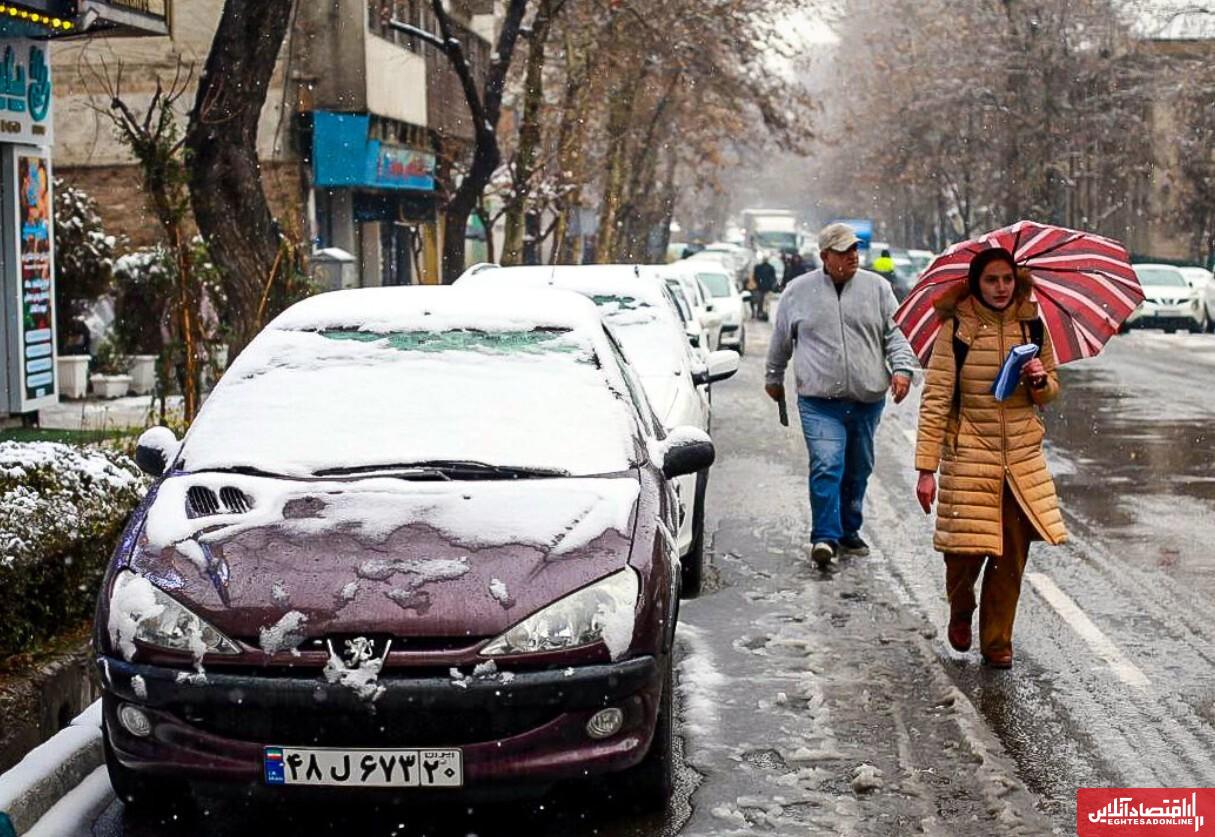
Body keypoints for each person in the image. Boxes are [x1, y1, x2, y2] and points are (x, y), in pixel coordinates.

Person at [913, 247, 1068, 669]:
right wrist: (926, 468)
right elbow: (936, 399)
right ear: (976, 283)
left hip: (1020, 458)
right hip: (968, 453)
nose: (1001, 288)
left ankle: (998, 640)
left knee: (1011, 555)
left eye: (1007, 280)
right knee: (962, 553)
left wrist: (1039, 381)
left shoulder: (1033, 324)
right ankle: (961, 607)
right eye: (991, 280)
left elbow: (1051, 389)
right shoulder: (957, 329)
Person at [765, 223, 918, 568]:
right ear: (824, 256)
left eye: (855, 250)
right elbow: (780, 341)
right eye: (844, 251)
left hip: (866, 399)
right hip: (819, 401)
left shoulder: (877, 288)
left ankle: (849, 529)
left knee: (858, 468)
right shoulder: (797, 292)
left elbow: (896, 334)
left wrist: (903, 369)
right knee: (827, 464)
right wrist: (773, 376)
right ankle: (825, 537)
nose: (853, 256)